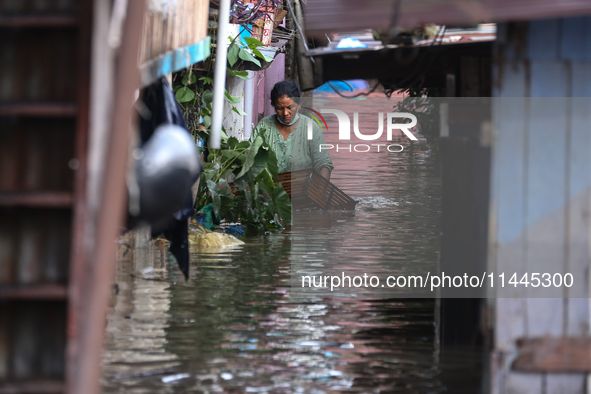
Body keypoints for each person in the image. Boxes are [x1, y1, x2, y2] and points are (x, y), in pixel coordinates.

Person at [250, 80, 333, 180]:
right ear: (274, 107)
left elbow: (323, 164)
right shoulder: (264, 126)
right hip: (269, 191)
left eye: (290, 107)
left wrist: (320, 191)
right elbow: (249, 158)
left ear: (299, 104)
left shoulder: (311, 128)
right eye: (280, 108)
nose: (285, 113)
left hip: (302, 190)